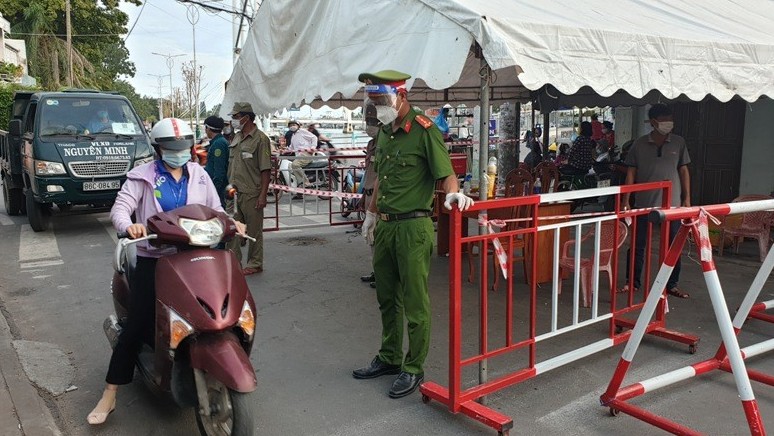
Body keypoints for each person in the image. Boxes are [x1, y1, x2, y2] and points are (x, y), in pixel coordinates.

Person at [86, 118, 245, 425]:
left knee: (220, 307)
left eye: (184, 146)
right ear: (158, 149)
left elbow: (215, 209)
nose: (179, 152)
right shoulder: (142, 176)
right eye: (172, 148)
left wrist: (231, 222)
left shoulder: (199, 175)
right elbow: (121, 208)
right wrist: (128, 225)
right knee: (136, 325)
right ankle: (110, 393)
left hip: (196, 255)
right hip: (155, 258)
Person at [352, 70, 474, 399]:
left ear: (401, 97)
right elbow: (381, 179)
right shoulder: (385, 133)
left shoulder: (424, 130)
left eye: (382, 100)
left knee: (415, 302)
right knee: (386, 297)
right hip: (386, 226)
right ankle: (390, 356)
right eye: (374, 102)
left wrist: (453, 193)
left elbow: (446, 173)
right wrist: (372, 215)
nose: (378, 107)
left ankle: (414, 366)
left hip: (413, 227)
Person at [621, 103, 691, 299]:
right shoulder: (639, 144)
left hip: (673, 205)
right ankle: (632, 282)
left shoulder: (678, 142)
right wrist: (626, 200)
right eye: (664, 120)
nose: (669, 123)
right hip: (644, 203)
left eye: (670, 119)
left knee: (673, 246)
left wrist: (687, 198)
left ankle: (671, 284)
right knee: (638, 245)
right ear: (653, 122)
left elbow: (684, 170)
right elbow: (631, 172)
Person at [225, 102, 272, 275]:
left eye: (236, 117)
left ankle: (255, 263)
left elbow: (265, 170)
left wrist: (263, 195)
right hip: (233, 192)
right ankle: (233, 263)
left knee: (253, 231)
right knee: (232, 230)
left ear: (246, 117)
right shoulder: (236, 137)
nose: (233, 120)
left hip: (252, 192)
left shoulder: (261, 139)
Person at [359, 102, 380, 289]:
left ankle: (383, 275)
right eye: (367, 122)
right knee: (371, 238)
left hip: (378, 198)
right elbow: (368, 173)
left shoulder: (385, 144)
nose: (368, 126)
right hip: (368, 194)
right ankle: (376, 271)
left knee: (380, 238)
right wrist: (361, 194)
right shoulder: (371, 143)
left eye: (371, 122)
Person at [203, 116, 229, 208]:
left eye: (205, 128)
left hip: (218, 189)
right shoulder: (217, 142)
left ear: (209, 128)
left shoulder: (219, 144)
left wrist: (213, 190)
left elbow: (219, 170)